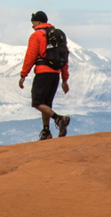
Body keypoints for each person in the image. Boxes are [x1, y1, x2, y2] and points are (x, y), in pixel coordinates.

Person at [17, 10, 72, 139]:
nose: (32, 26)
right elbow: (64, 58)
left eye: (33, 23)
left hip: (43, 72)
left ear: (39, 22)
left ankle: (59, 119)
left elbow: (30, 56)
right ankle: (46, 131)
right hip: (55, 74)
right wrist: (64, 79)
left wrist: (23, 75)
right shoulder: (57, 36)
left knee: (37, 102)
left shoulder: (37, 36)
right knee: (46, 104)